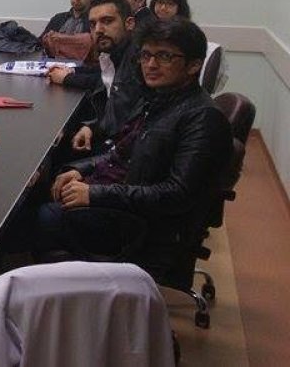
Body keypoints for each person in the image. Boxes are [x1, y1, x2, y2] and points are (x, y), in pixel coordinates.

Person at [36, 19, 232, 280]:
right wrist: (82, 170)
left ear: (194, 65)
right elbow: (121, 152)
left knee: (40, 213)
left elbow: (177, 194)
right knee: (47, 185)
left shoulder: (203, 118)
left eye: (164, 56)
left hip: (142, 227)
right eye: (146, 55)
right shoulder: (160, 99)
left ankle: (44, 288)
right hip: (127, 199)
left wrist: (95, 194)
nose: (151, 64)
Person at [49, 0, 146, 153]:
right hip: (111, 138)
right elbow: (111, 109)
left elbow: (125, 121)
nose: (98, 30)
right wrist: (89, 127)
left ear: (129, 23)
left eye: (107, 21)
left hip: (122, 150)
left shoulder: (139, 62)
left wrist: (92, 129)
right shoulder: (110, 56)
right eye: (93, 24)